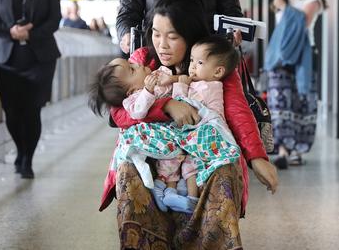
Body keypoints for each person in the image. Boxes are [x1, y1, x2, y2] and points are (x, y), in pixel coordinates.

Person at [101, 0, 278, 249]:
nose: (161, 44)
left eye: (172, 36)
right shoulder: (142, 60)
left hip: (203, 149)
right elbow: (119, 112)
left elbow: (238, 111)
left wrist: (258, 158)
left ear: (190, 33)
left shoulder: (210, 62)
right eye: (156, 33)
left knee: (225, 170)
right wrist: (167, 106)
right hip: (156, 153)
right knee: (129, 170)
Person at [90, 36, 242, 214]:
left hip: (177, 132)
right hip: (160, 137)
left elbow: (175, 92)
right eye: (132, 68)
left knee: (179, 162)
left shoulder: (156, 75)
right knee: (170, 163)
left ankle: (175, 193)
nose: (137, 64)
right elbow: (138, 111)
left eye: (172, 36)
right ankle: (167, 191)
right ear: (130, 90)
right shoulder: (134, 97)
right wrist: (151, 92)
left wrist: (174, 82)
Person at [0, 0, 61, 179]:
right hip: (7, 59)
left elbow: (54, 20)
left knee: (32, 110)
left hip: (39, 58)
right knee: (12, 112)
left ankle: (28, 159)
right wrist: (11, 31)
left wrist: (30, 33)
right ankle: (20, 149)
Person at [266, 0, 327, 169]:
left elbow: (303, 23)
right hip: (281, 56)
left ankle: (297, 149)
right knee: (279, 101)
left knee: (302, 101)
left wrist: (286, 7)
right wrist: (281, 3)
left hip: (303, 55)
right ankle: (283, 148)